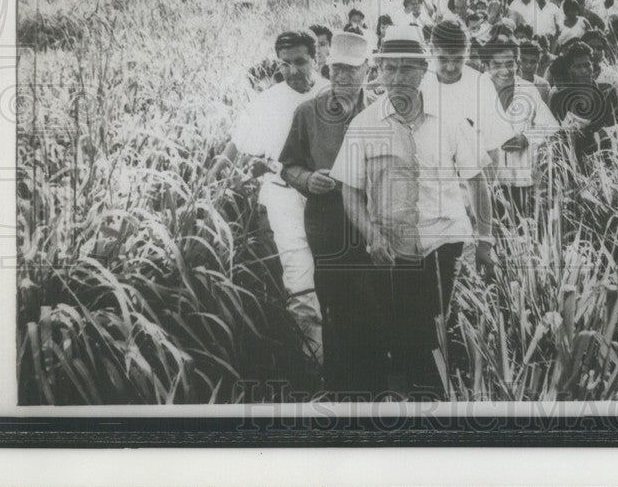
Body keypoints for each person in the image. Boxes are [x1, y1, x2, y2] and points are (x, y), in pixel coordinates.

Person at [330, 25, 496, 399]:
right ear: (379, 72)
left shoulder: (450, 119)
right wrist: (371, 236)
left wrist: (485, 239)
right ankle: (418, 403)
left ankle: (446, 398)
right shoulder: (365, 125)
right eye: (389, 69)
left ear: (424, 70)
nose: (397, 78)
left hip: (445, 240)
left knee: (437, 326)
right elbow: (350, 190)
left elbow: (477, 182)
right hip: (392, 246)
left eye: (407, 69)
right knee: (403, 334)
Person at [212, 31, 329, 368]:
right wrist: (209, 184)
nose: (293, 70)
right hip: (285, 200)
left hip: (331, 202)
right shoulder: (267, 102)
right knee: (299, 277)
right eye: (285, 64)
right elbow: (235, 147)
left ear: (317, 58)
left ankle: (345, 363)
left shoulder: (332, 95)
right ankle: (314, 363)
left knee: (336, 278)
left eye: (301, 62)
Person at [279, 32, 386, 396]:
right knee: (336, 306)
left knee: (377, 304)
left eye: (351, 70)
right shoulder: (308, 113)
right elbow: (288, 166)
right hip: (330, 226)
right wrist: (308, 179)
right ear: (327, 68)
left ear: (368, 69)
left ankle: (380, 389)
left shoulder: (383, 111)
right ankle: (341, 391)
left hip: (376, 225)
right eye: (336, 69)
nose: (342, 77)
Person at [481, 36, 560, 224]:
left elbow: (549, 125)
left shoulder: (528, 89)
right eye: (496, 64)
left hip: (520, 178)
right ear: (486, 64)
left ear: (517, 63)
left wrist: (526, 138)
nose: (504, 70)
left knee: (518, 231)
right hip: (485, 177)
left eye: (510, 64)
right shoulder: (476, 89)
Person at [422, 20, 514, 163]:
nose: (450, 67)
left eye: (458, 59)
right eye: (443, 59)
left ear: (467, 51)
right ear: (432, 50)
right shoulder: (421, 84)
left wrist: (486, 185)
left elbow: (493, 148)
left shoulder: (481, 85)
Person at [548, 40, 618, 160]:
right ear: (569, 69)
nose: (583, 71)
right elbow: (555, 135)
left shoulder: (608, 92)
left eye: (587, 65)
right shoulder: (559, 98)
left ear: (593, 65)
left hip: (606, 157)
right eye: (577, 66)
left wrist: (605, 132)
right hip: (574, 160)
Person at [517, 38, 552, 104]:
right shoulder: (511, 83)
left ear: (538, 62)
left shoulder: (543, 86)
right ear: (518, 61)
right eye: (524, 60)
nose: (528, 66)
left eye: (533, 62)